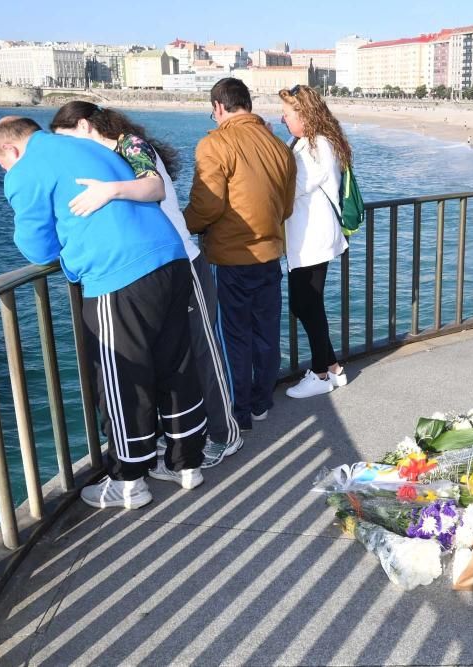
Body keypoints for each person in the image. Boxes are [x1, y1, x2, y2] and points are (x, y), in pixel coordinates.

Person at [0, 116, 206, 509]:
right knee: (176, 364)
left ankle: (129, 482)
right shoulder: (90, 146)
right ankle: (186, 464)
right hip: (171, 261)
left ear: (11, 150)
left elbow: (36, 248)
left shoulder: (25, 168)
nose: (8, 173)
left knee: (122, 378)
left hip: (118, 274)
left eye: (4, 165)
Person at [49, 101, 242, 469]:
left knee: (203, 350)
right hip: (158, 269)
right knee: (172, 361)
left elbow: (152, 187)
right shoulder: (104, 160)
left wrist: (109, 191)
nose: (68, 150)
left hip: (184, 260)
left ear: (86, 125)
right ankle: (171, 443)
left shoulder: (131, 146)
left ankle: (225, 434)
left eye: (68, 138)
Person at [184, 78, 296, 432]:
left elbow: (207, 205)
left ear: (219, 107)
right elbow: (286, 207)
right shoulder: (279, 146)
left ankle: (238, 412)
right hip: (269, 254)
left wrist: (182, 224)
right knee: (266, 332)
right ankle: (262, 401)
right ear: (246, 103)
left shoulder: (215, 143)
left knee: (234, 336)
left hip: (230, 256)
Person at [277, 85, 350, 398]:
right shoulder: (310, 142)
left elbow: (294, 188)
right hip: (310, 236)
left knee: (305, 303)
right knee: (308, 303)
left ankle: (320, 374)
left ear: (304, 115)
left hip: (313, 237)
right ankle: (333, 367)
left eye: (288, 113)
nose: (283, 119)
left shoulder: (316, 145)